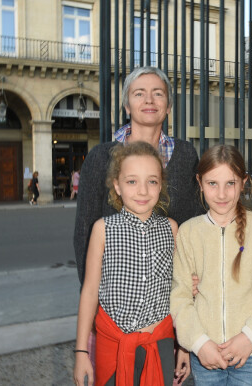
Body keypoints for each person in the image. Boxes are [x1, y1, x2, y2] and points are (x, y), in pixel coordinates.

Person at [170, 145, 252, 385]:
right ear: (199, 181)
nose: (222, 194)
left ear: (244, 181)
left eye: (231, 183)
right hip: (205, 354)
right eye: (212, 183)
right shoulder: (189, 232)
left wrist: (250, 337)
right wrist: (198, 342)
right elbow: (180, 296)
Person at [73, 141, 190, 385]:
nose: (143, 191)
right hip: (113, 346)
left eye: (152, 181)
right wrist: (81, 351)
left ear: (161, 185)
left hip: (160, 344)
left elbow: (182, 292)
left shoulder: (171, 229)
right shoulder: (103, 229)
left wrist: (185, 347)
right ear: (117, 185)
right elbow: (90, 291)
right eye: (132, 181)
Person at [74, 66, 203, 286]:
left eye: (158, 93)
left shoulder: (186, 154)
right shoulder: (99, 157)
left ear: (169, 106)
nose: (149, 100)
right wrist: (94, 302)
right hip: (118, 295)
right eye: (139, 93)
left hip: (172, 292)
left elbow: (196, 223)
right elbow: (84, 233)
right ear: (127, 106)